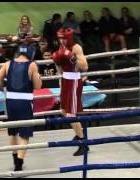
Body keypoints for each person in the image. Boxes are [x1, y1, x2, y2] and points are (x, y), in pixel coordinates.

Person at [0, 43, 42, 171]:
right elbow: (38, 86)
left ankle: (15, 159)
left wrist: (5, 89)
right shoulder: (32, 65)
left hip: (10, 101)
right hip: (25, 101)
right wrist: (37, 77)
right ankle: (19, 164)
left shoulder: (8, 63)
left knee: (13, 132)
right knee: (25, 134)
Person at [52, 27, 89, 156]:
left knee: (70, 114)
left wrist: (71, 57)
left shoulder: (76, 48)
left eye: (63, 38)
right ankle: (79, 133)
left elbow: (84, 66)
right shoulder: (61, 49)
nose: (61, 41)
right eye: (59, 39)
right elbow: (62, 71)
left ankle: (83, 142)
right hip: (65, 80)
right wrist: (57, 61)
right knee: (63, 110)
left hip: (74, 82)